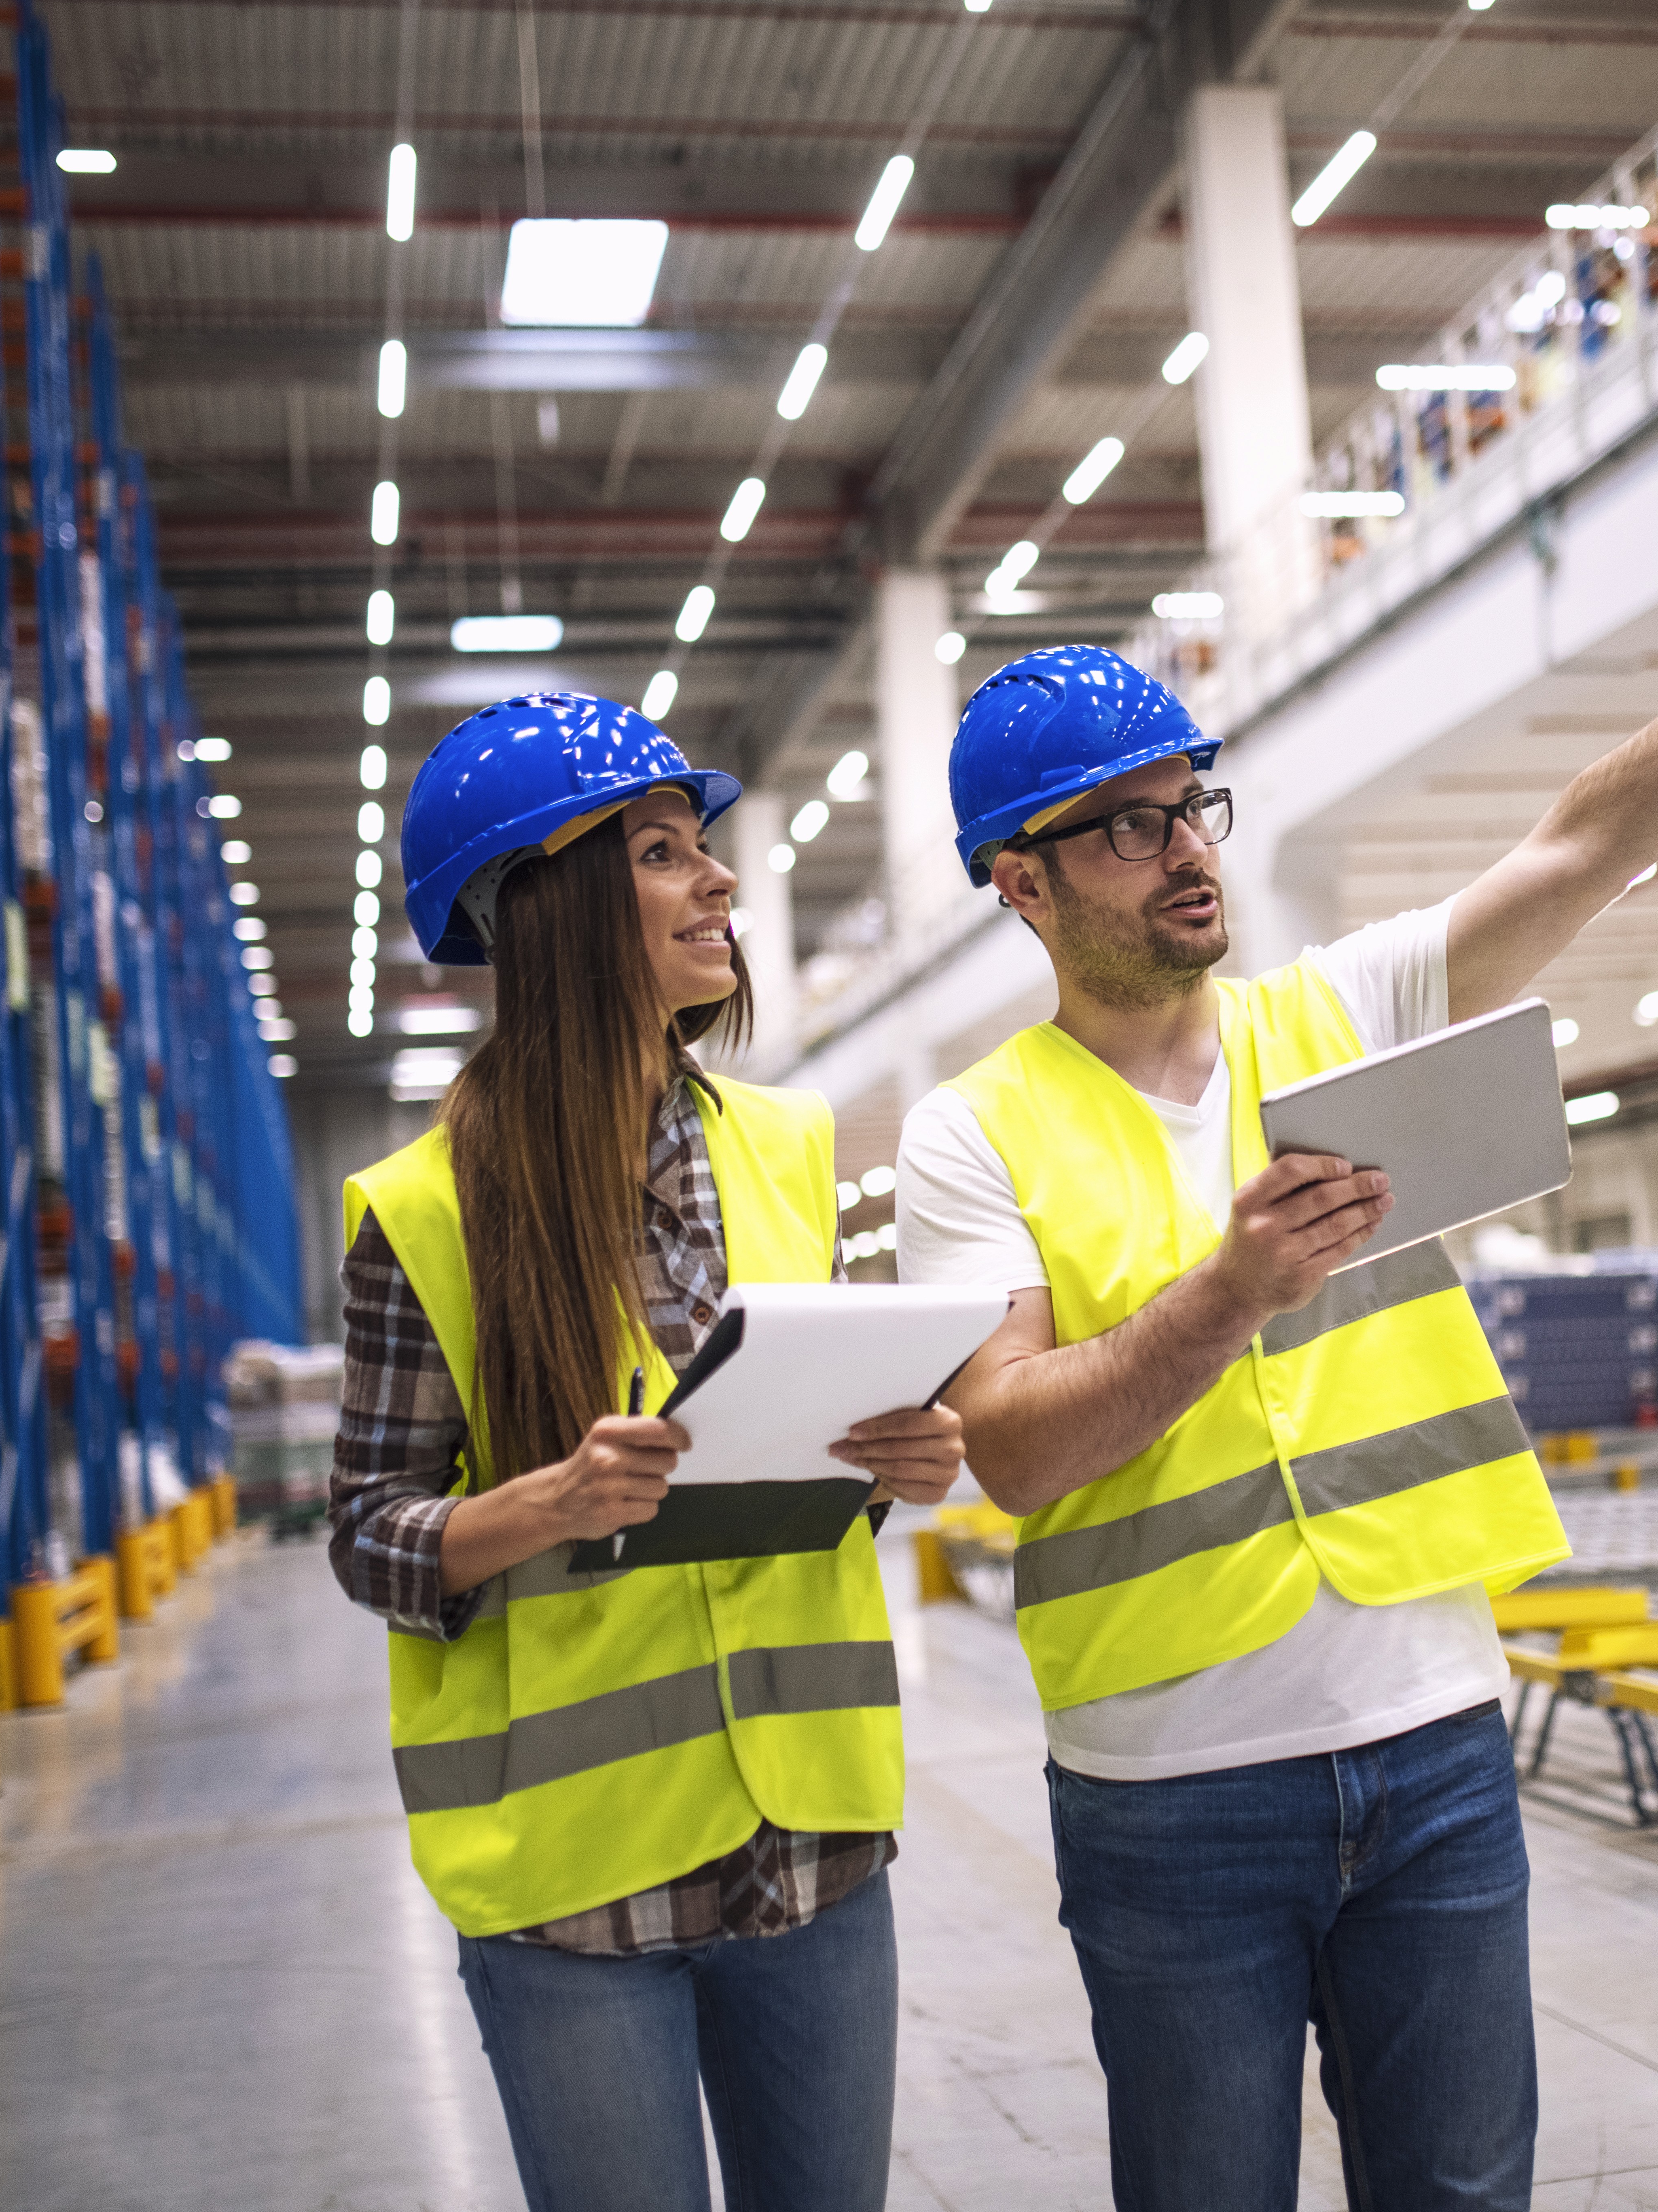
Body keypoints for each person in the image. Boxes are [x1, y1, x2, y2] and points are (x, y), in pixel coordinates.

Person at [895, 398, 1658, 2210]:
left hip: (1432, 1741)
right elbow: (1009, 1447)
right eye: (1123, 829)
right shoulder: (974, 1134)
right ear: (1019, 883)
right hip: (1174, 1788)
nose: (1188, 849)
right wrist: (1233, 1286)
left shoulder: (1338, 1016)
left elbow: (1581, 842)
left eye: (1194, 804)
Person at [326, 692, 965, 2212]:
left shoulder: (791, 1143)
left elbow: (792, 1476)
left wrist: (893, 1460)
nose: (721, 881)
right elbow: (368, 1532)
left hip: (809, 1843)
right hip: (573, 1878)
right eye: (665, 852)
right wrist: (537, 1506)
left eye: (705, 848)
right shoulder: (421, 1210)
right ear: (548, 909)